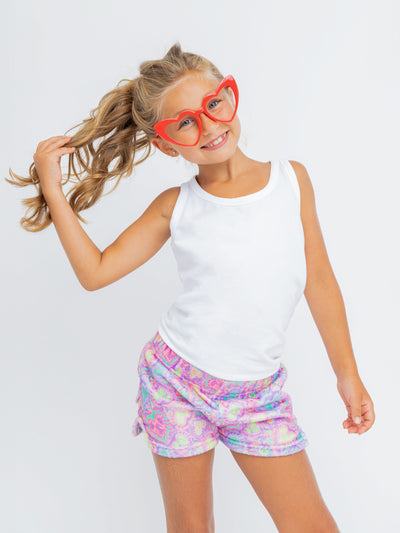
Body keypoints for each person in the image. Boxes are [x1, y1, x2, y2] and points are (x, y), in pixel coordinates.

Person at [7, 42, 375, 533]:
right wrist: (54, 192)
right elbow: (95, 272)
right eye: (185, 122)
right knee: (191, 527)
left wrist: (347, 375)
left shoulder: (292, 181)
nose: (208, 125)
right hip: (175, 383)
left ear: (230, 96)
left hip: (258, 395)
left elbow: (321, 280)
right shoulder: (174, 206)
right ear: (165, 144)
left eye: (213, 104)